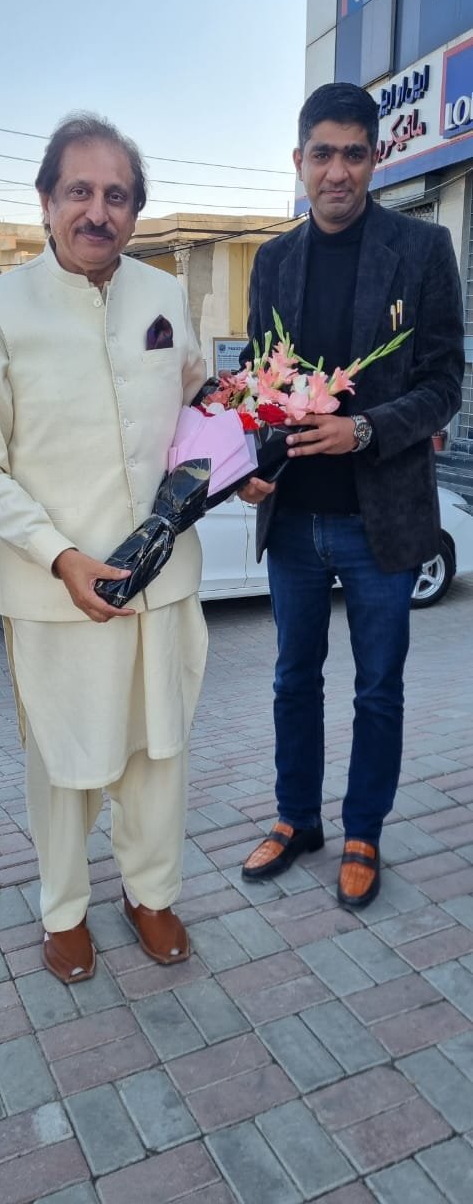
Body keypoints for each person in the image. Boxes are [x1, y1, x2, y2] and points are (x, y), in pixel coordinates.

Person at [0, 114, 208, 982]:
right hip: (55, 592)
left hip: (161, 583)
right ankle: (63, 910)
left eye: (118, 196)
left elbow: (201, 407)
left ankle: (151, 894)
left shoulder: (164, 294)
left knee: (159, 753)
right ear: (46, 199)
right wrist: (61, 557)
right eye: (80, 192)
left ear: (136, 210)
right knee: (63, 765)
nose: (99, 212)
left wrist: (241, 463)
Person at [237, 82, 465, 907]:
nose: (337, 171)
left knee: (378, 688)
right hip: (294, 517)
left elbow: (444, 385)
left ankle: (364, 829)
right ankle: (297, 818)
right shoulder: (273, 260)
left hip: (382, 520)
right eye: (322, 154)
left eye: (354, 154)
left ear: (378, 158)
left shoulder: (423, 248)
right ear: (298, 161)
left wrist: (363, 430)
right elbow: (262, 383)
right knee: (293, 680)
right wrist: (250, 463)